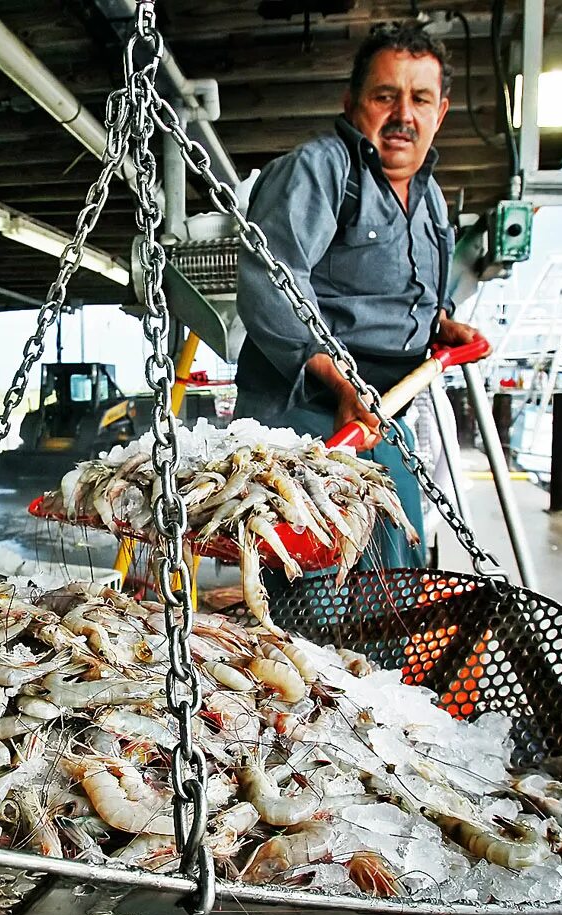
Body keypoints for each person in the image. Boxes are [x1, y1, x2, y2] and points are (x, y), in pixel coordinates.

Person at [233, 22, 484, 569]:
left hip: (386, 411)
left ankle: (384, 657)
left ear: (440, 112)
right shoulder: (318, 171)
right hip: (306, 415)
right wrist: (341, 382)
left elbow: (408, 291)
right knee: (312, 591)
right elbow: (272, 281)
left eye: (420, 99)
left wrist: (439, 323)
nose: (403, 116)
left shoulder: (431, 196)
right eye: (385, 96)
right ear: (352, 103)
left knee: (396, 570)